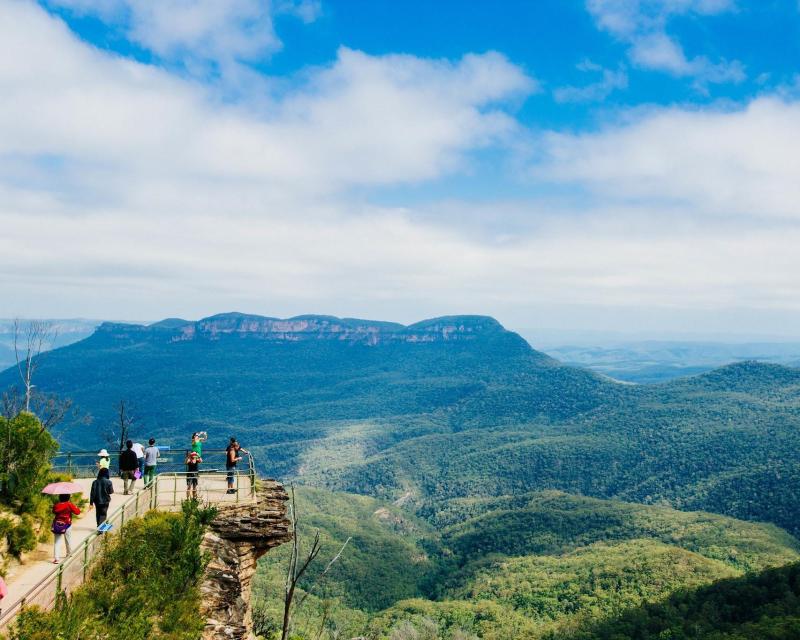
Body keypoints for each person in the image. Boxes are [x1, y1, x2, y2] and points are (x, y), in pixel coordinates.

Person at [52, 494, 80, 563]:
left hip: (57, 524)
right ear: (68, 498)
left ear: (60, 498)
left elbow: (53, 511)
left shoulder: (57, 505)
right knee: (68, 539)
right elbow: (77, 512)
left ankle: (56, 558)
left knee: (57, 541)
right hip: (67, 523)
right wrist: (74, 506)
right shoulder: (69, 504)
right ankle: (69, 553)